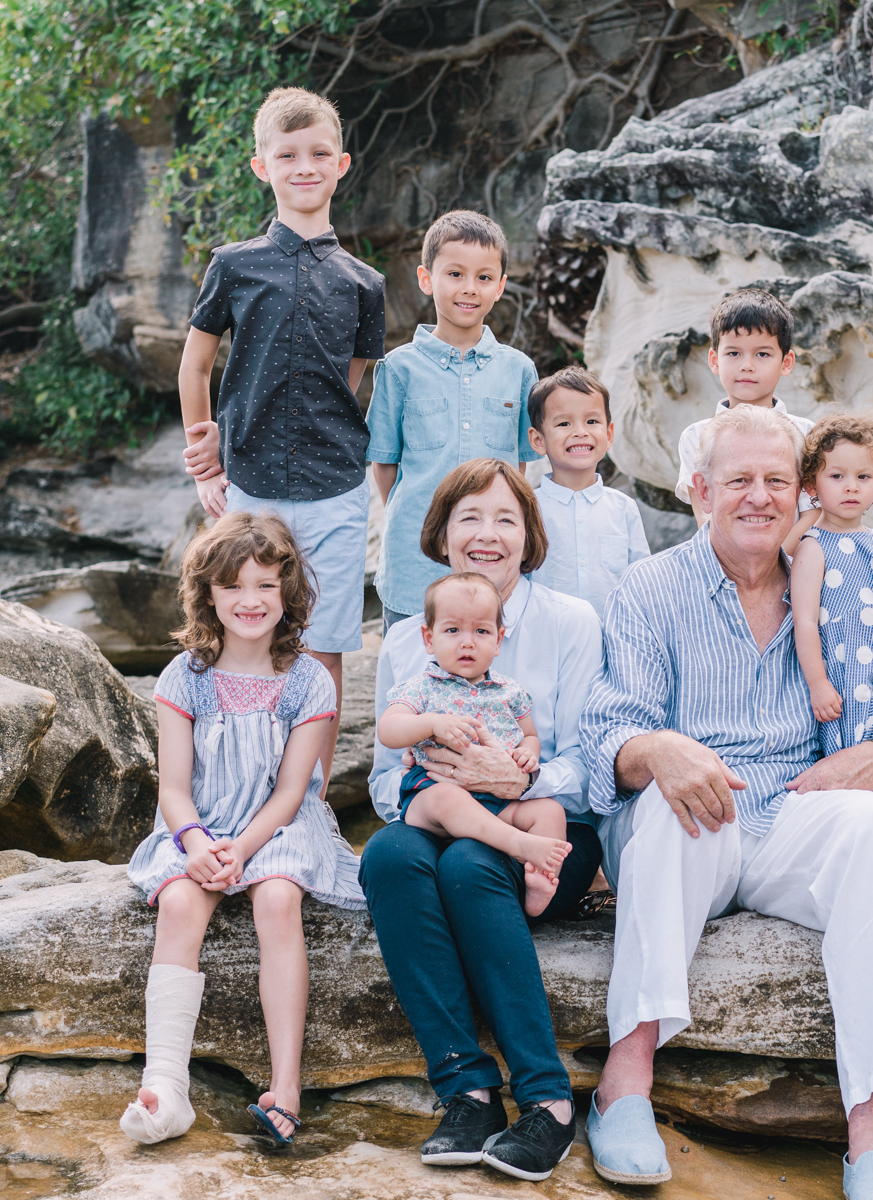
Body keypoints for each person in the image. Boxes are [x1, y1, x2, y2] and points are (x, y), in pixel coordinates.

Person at [581, 403, 873, 1200]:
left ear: (804, 493)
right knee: (669, 804)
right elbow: (607, 728)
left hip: (796, 814)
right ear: (699, 491)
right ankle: (624, 1082)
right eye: (738, 480)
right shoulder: (650, 587)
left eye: (777, 481)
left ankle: (872, 1136)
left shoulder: (846, 582)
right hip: (695, 823)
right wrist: (659, 749)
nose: (758, 497)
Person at [359, 459, 603, 1182]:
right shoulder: (410, 637)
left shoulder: (571, 622)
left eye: (505, 519)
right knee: (386, 857)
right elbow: (381, 777)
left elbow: (596, 768)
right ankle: (466, 1088)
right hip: (443, 819)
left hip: (548, 835)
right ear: (442, 534)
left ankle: (548, 1101)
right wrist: (441, 789)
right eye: (469, 518)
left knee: (470, 867)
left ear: (530, 536)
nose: (487, 534)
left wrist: (521, 774)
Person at [121, 511, 365, 1148]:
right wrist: (197, 843)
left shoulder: (306, 680)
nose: (250, 600)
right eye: (233, 586)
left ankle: (285, 1087)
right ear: (208, 594)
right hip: (200, 823)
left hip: (277, 825)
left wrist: (245, 849)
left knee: (279, 900)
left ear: (289, 591)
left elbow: (291, 792)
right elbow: (173, 788)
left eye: (265, 584)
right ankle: (166, 1083)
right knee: (177, 902)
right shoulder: (185, 677)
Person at [177, 88, 387, 795]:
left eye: (318, 154)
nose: (305, 166)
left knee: (322, 651)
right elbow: (197, 364)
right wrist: (205, 452)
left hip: (336, 488)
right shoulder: (234, 264)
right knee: (244, 635)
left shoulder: (365, 284)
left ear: (342, 164)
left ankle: (310, 802)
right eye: (288, 154)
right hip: (252, 486)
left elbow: (347, 380)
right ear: (261, 166)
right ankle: (232, 785)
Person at [368, 210, 540, 626]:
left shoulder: (518, 370)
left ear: (500, 287)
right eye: (455, 274)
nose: (469, 288)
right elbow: (385, 466)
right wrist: (423, 518)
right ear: (427, 279)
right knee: (409, 673)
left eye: (484, 278)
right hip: (414, 562)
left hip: (491, 559)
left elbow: (518, 468)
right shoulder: (397, 369)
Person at [377, 572, 572, 916]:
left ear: (498, 641)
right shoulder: (422, 687)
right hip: (433, 796)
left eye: (481, 632)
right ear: (428, 638)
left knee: (550, 811)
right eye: (452, 630)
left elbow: (530, 734)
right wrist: (432, 723)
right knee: (448, 798)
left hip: (495, 800)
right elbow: (389, 729)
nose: (467, 642)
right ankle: (518, 845)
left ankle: (539, 882)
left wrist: (528, 753)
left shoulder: (509, 691)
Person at [789, 415, 873, 820]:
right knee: (846, 750)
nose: (851, 486)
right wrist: (817, 683)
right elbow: (804, 621)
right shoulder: (814, 548)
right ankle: (847, 832)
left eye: (864, 476)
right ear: (812, 486)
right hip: (841, 677)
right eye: (837, 476)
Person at [672, 288, 815, 539]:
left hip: (795, 566)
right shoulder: (696, 437)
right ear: (715, 360)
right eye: (734, 353)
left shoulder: (807, 434)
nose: (747, 365)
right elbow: (705, 517)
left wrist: (774, 562)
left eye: (762, 354)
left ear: (786, 362)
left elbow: (812, 514)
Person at [526, 366, 649, 618]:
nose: (580, 431)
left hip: (613, 643)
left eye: (592, 421)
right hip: (548, 640)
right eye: (564, 423)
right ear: (539, 440)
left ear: (609, 433)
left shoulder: (623, 508)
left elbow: (643, 580)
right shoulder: (527, 509)